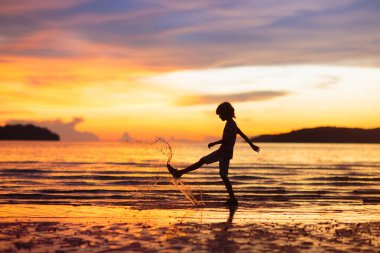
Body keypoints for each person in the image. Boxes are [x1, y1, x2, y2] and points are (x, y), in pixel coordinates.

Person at [167, 102, 260, 206]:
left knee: (203, 161)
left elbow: (227, 140)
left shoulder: (230, 125)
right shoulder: (232, 123)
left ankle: (180, 173)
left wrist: (214, 143)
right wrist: (252, 145)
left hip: (223, 152)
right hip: (225, 153)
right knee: (223, 176)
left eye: (220, 114)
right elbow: (242, 134)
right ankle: (233, 199)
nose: (219, 116)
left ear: (225, 113)